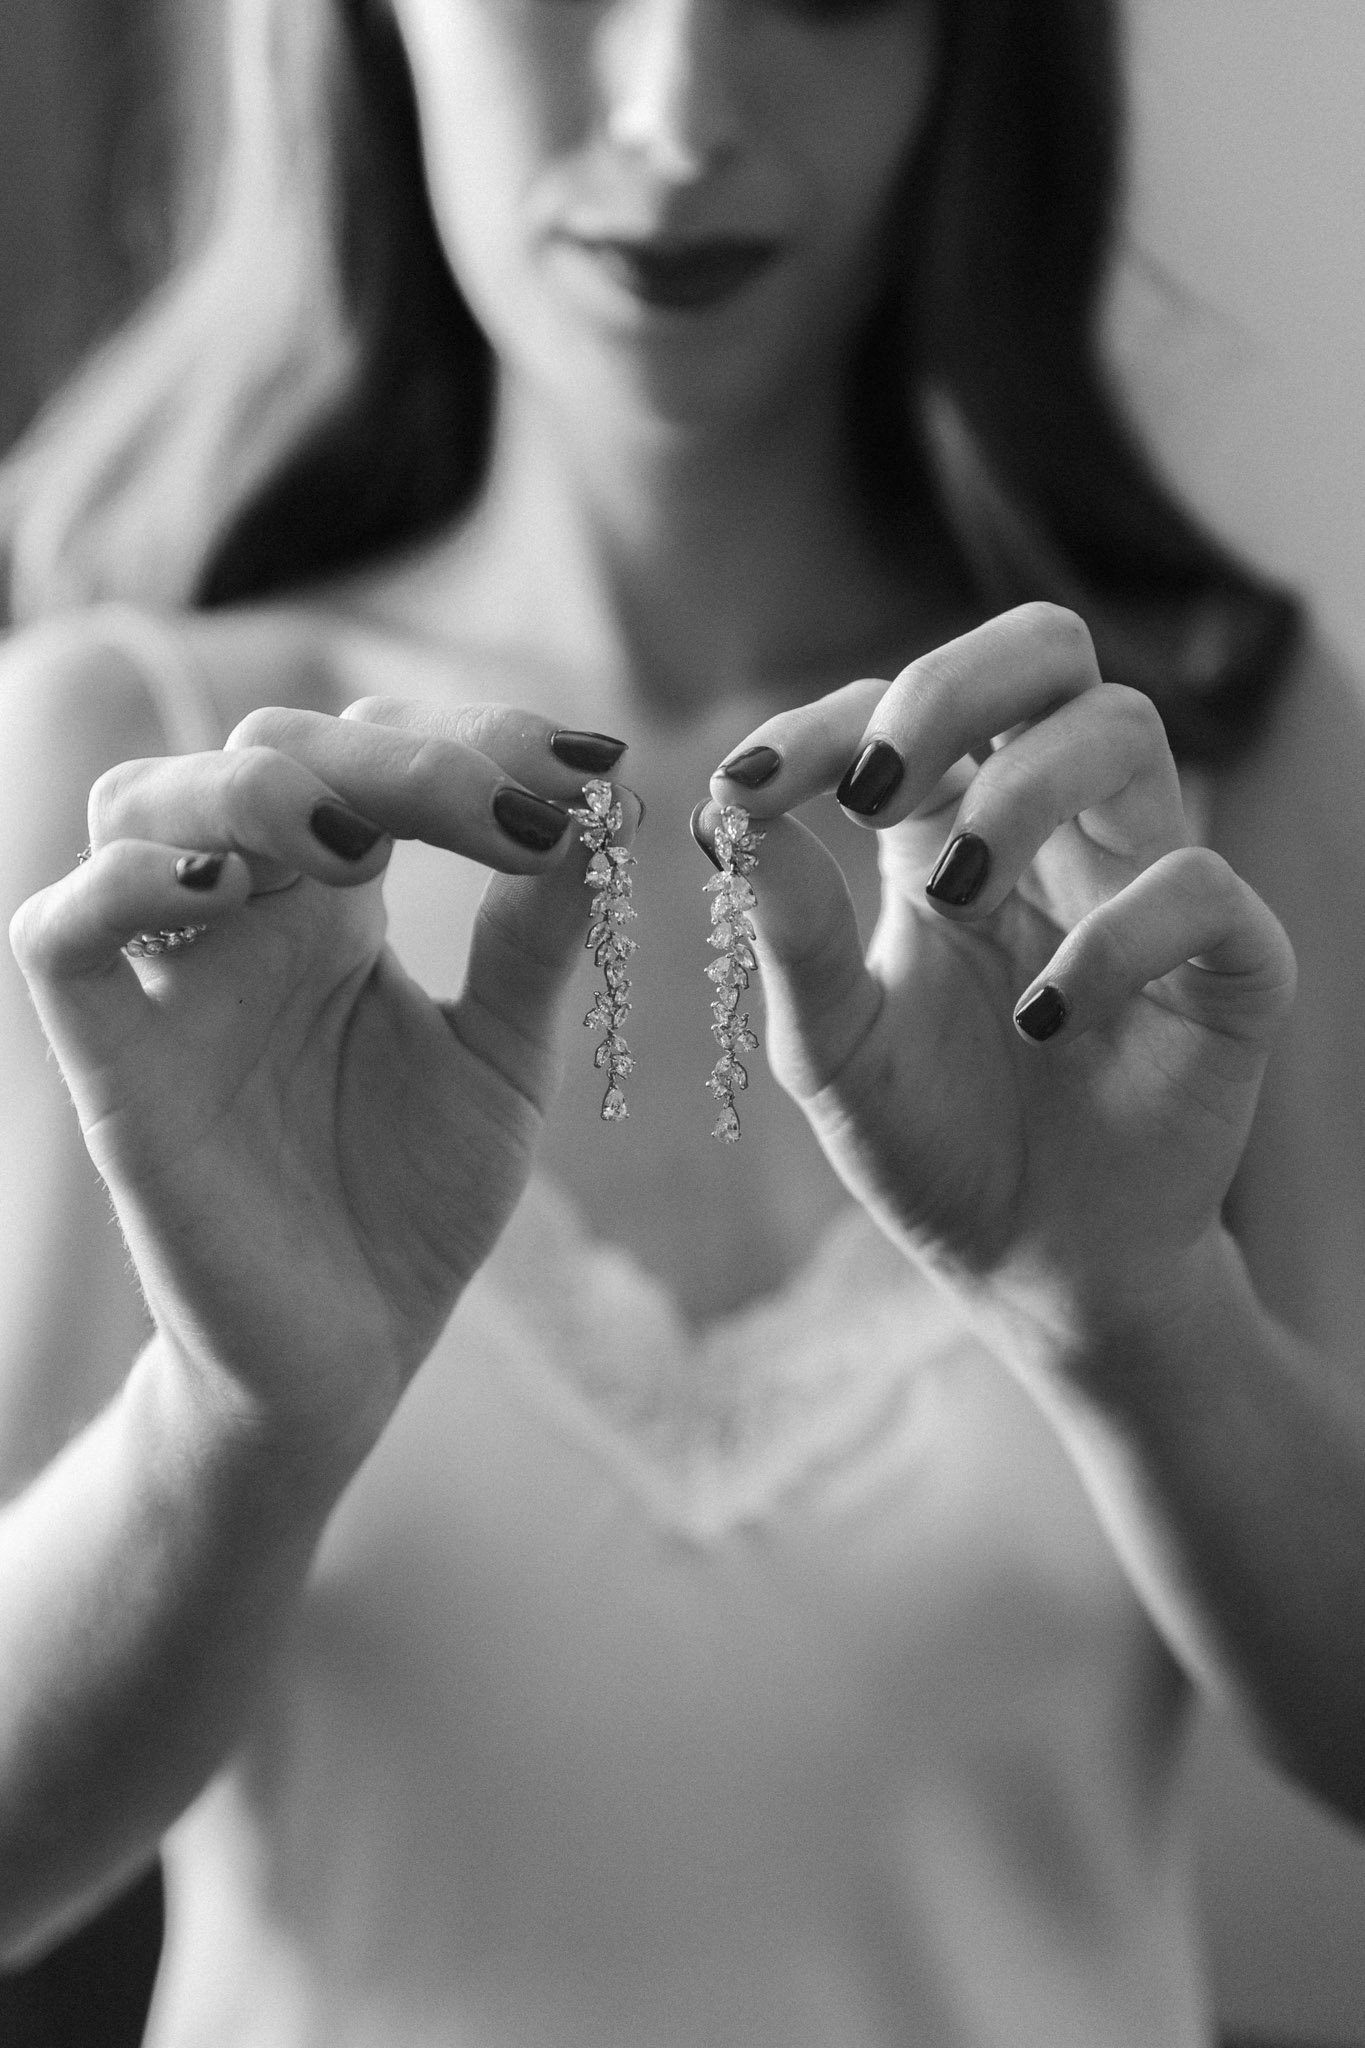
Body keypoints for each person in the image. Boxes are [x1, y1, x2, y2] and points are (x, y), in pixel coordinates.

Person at [0, 0, 1364, 2043]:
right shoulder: (129, 772)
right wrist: (233, 1426)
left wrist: (1147, 1320)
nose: (671, 110)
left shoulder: (1185, 779)